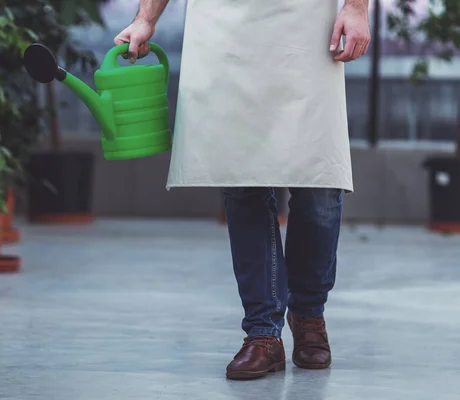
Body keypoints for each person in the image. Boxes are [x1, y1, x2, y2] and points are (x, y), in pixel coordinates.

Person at [115, 0, 371, 380]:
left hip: (309, 26)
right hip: (226, 26)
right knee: (242, 179)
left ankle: (308, 315)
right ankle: (263, 333)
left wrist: (357, 8)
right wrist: (144, 19)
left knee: (319, 185)